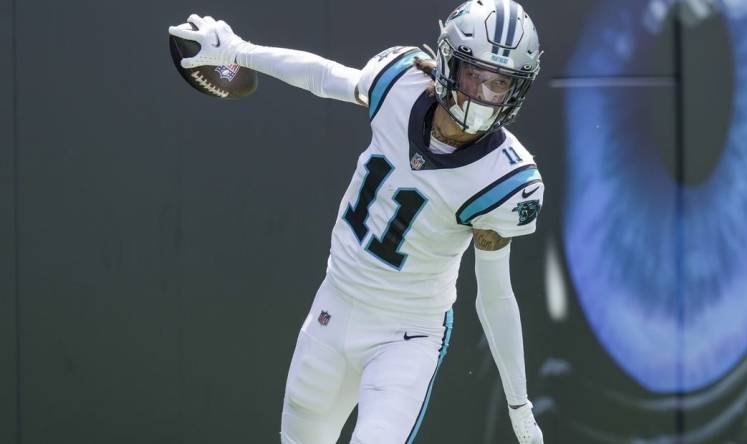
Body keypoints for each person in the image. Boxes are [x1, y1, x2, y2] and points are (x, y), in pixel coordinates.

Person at [169, 1, 545, 442]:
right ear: (448, 63)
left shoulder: (506, 178)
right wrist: (239, 50)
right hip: (335, 303)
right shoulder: (400, 82)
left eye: (498, 83)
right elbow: (324, 77)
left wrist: (519, 403)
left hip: (408, 335)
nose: (482, 94)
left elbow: (496, 295)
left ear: (516, 89)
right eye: (473, 75)